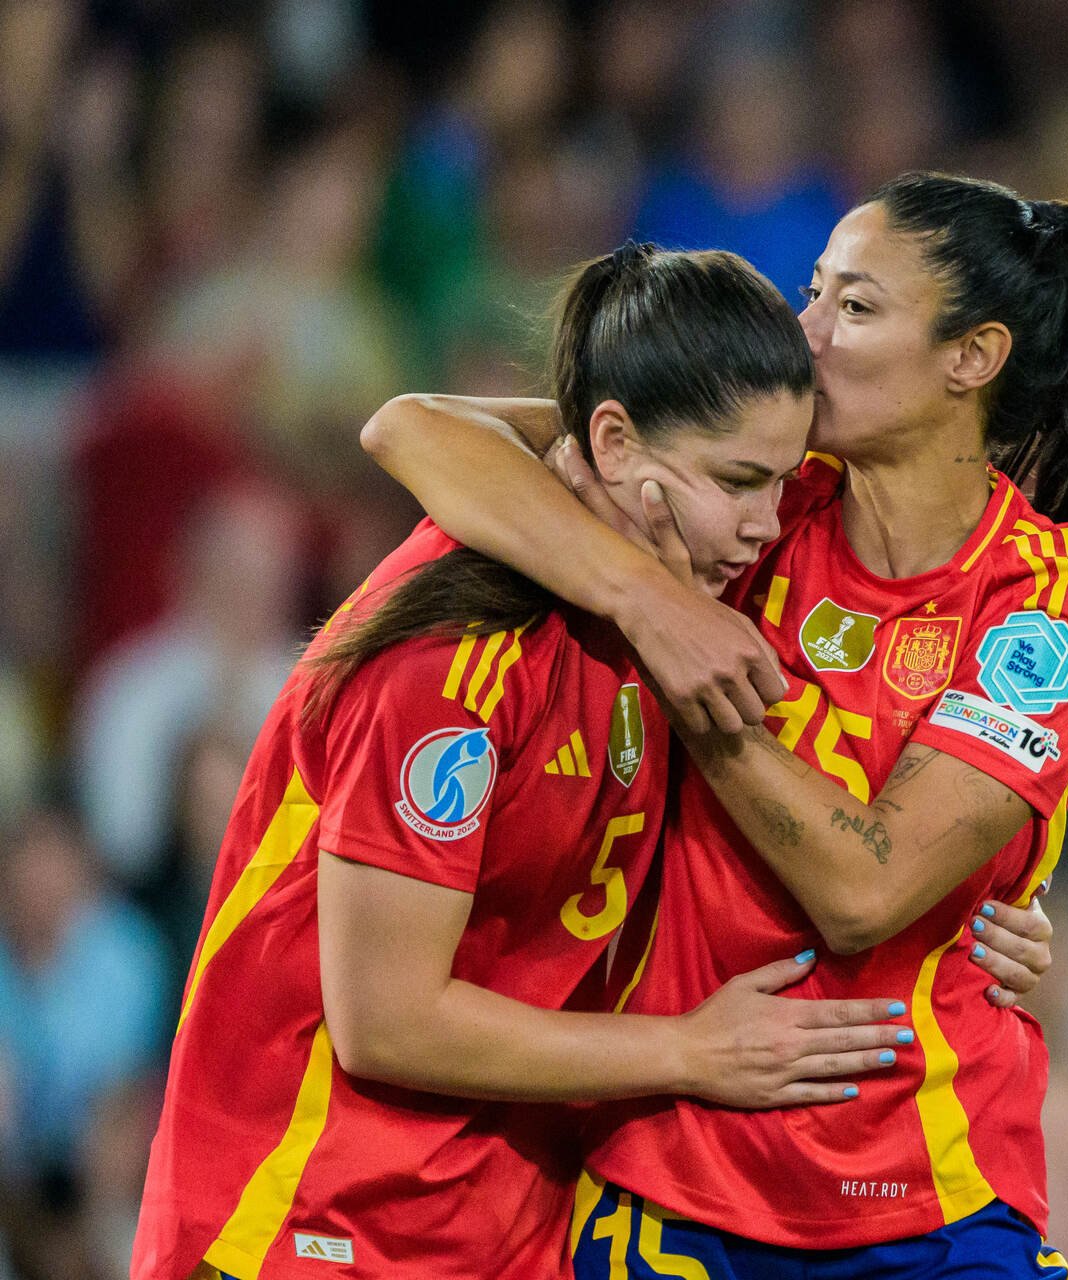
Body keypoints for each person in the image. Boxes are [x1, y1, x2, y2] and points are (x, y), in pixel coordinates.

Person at [363, 172, 1068, 1278]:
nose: (806, 331)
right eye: (812, 292)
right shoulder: (748, 491)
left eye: (855, 307)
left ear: (973, 357)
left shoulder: (1053, 595)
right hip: (671, 1174)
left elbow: (866, 892)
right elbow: (415, 427)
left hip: (929, 1193)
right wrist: (651, 599)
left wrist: (688, 673)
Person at [134, 244, 928, 1280]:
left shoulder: (669, 606)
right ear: (613, 440)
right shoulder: (453, 659)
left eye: (780, 482)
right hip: (306, 1219)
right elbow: (386, 1019)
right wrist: (695, 1049)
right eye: (738, 481)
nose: (765, 525)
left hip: (501, 1224)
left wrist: (986, 912)